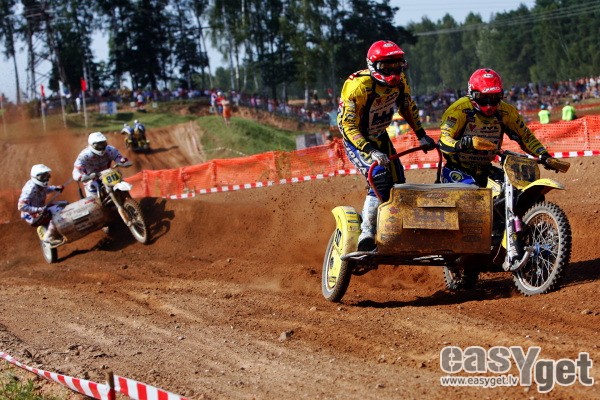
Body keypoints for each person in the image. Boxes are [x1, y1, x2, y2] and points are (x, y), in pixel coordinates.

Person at [337, 40, 435, 251]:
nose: (393, 72)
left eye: (397, 66)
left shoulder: (400, 82)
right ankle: (367, 233)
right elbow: (346, 126)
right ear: (373, 65)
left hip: (381, 137)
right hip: (358, 141)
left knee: (398, 185)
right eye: (386, 67)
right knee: (380, 178)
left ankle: (394, 229)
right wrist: (370, 150)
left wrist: (421, 135)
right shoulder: (357, 86)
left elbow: (407, 106)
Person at [438, 68, 560, 188]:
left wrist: (544, 155)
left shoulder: (507, 112)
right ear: (472, 94)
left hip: (485, 169)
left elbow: (526, 137)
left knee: (517, 189)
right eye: (483, 98)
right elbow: (443, 140)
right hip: (457, 169)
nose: (489, 105)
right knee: (472, 193)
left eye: (495, 98)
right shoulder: (458, 110)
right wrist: (461, 144)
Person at [18, 164, 66, 245]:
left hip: (40, 210)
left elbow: (44, 190)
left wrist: (55, 188)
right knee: (58, 210)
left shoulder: (38, 185)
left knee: (64, 204)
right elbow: (21, 206)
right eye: (43, 177)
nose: (46, 179)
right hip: (32, 215)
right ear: (35, 177)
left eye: (46, 176)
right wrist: (38, 210)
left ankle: (58, 228)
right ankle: (49, 236)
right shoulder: (29, 189)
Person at [73, 132, 131, 197]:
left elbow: (120, 159)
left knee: (121, 181)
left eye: (103, 143)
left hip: (108, 174)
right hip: (92, 178)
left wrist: (122, 162)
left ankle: (128, 198)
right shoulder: (84, 155)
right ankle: (96, 201)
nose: (102, 146)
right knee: (92, 190)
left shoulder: (110, 150)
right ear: (92, 145)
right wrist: (81, 176)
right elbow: (76, 170)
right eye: (99, 144)